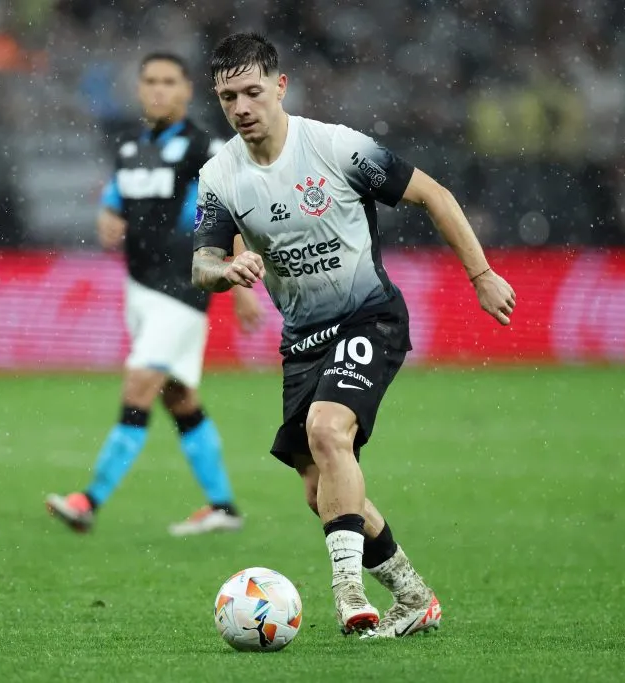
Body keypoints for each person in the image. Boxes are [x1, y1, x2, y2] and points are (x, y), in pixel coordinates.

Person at [191, 33, 516, 638]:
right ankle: (414, 596)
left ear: (280, 86)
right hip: (302, 339)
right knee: (322, 492)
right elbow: (201, 264)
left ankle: (346, 591)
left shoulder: (336, 148)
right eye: (227, 96)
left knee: (326, 429)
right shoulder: (219, 177)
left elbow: (433, 196)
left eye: (253, 92)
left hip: (369, 317)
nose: (240, 107)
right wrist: (225, 271)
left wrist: (481, 274)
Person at [47, 52, 263, 537]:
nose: (159, 90)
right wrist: (107, 213)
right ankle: (223, 506)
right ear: (140, 89)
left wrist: (240, 278)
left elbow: (229, 208)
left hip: (185, 285)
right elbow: (116, 199)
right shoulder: (129, 146)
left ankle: (89, 500)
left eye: (169, 82)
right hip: (140, 288)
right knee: (179, 396)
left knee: (138, 385)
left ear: (187, 91)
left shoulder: (202, 146)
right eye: (150, 81)